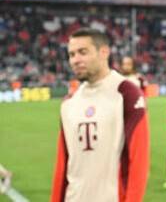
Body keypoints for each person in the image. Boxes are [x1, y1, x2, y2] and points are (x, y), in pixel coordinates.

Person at [51, 28, 149, 202]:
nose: (75, 60)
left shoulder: (126, 93)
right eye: (71, 54)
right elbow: (62, 164)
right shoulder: (68, 102)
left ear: (104, 52)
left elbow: (138, 161)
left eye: (83, 52)